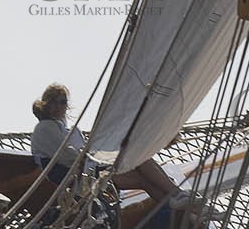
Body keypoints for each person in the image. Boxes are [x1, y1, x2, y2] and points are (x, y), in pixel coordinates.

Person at [30, 83, 212, 211]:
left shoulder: (71, 130)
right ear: (47, 104)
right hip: (80, 179)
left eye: (63, 102)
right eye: (56, 101)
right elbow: (68, 158)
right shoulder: (45, 128)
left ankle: (184, 206)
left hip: (90, 172)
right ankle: (177, 194)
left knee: (143, 178)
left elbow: (80, 154)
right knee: (139, 160)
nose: (61, 106)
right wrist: (102, 153)